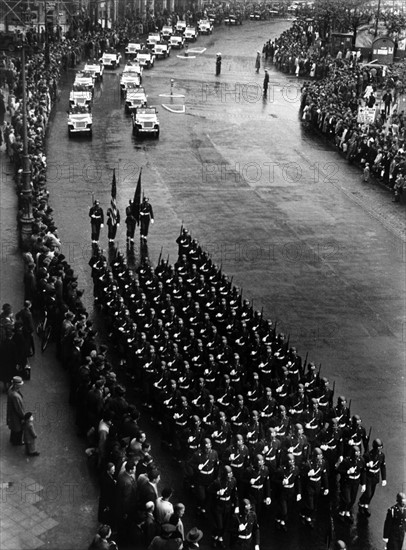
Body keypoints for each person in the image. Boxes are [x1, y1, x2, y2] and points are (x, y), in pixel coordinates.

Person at [6, 376, 25, 445]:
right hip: (16, 415)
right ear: (17, 386)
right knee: (19, 429)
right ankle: (17, 442)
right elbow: (18, 408)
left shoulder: (10, 389)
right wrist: (23, 416)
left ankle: (13, 440)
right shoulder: (15, 396)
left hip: (12, 413)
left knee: (14, 428)